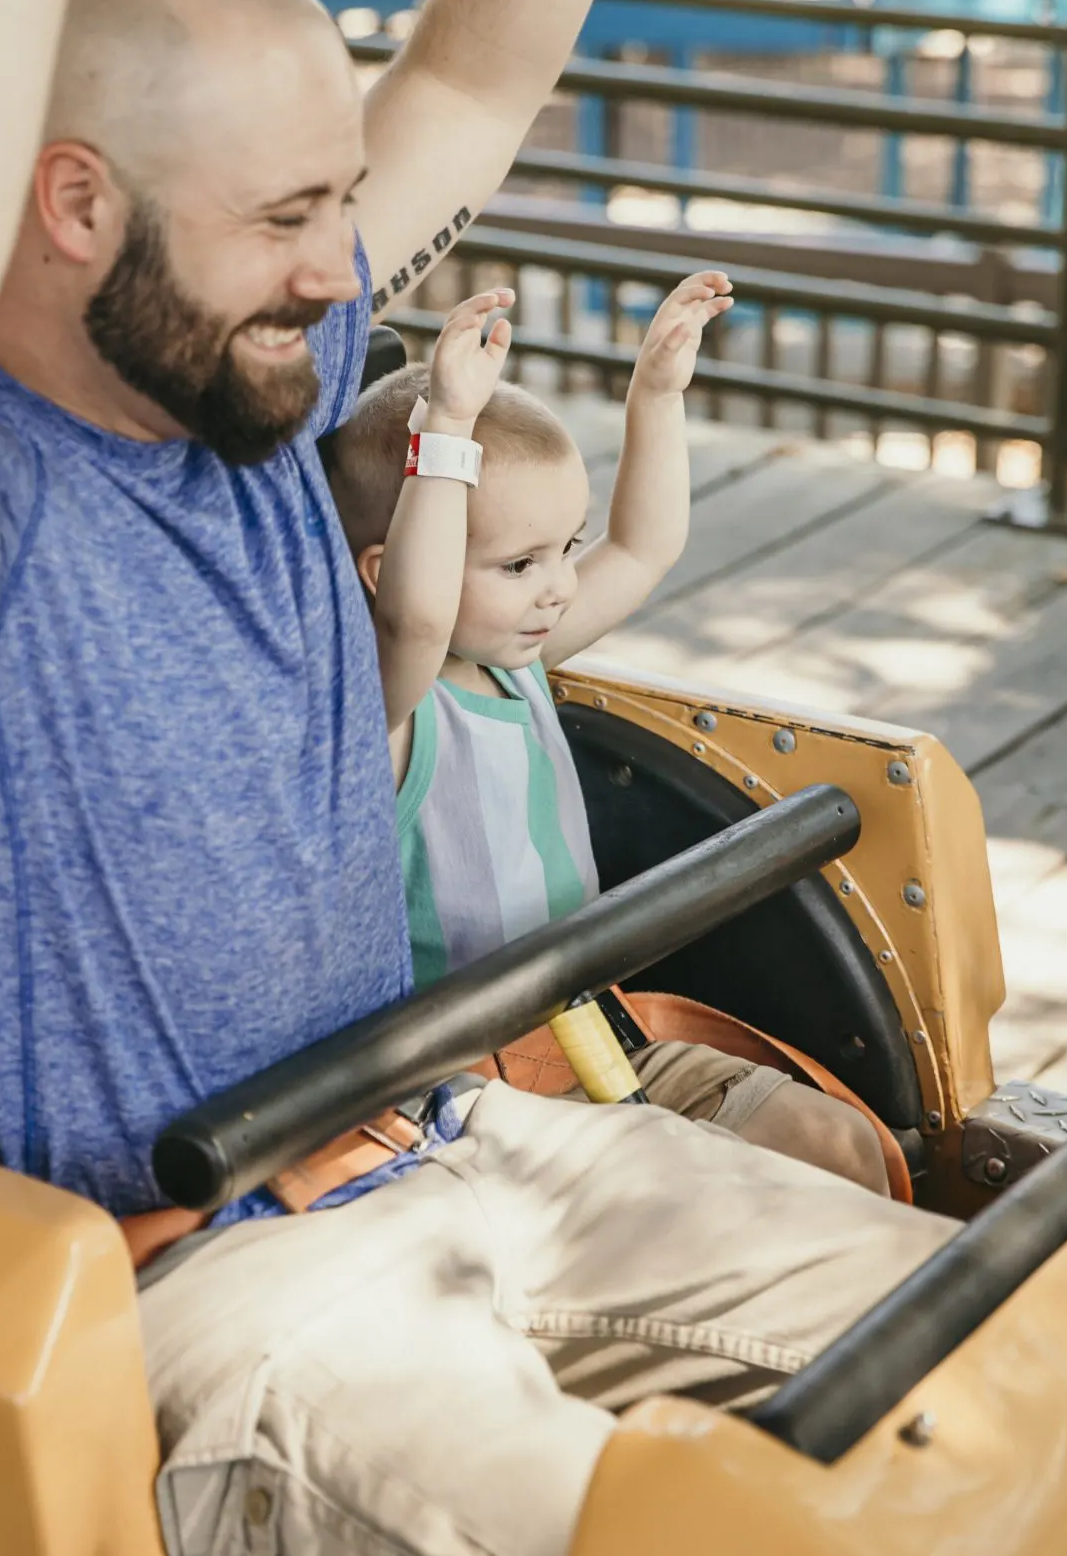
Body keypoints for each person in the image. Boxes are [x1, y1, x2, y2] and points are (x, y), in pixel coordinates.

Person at [0, 0, 954, 1556]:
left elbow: (476, 63)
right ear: (72, 213)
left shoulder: (244, 361)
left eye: (344, 205)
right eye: (294, 218)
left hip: (461, 1136)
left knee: (1000, 1393)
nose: (351, 263)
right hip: (211, 1299)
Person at [324, 280, 891, 1193]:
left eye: (560, 551)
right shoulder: (390, 710)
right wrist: (445, 433)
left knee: (837, 1149)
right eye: (518, 564)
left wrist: (656, 396)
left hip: (594, 1029)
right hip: (467, 1092)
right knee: (715, 1199)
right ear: (386, 570)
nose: (555, 588)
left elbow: (638, 550)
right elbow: (416, 624)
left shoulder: (518, 660)